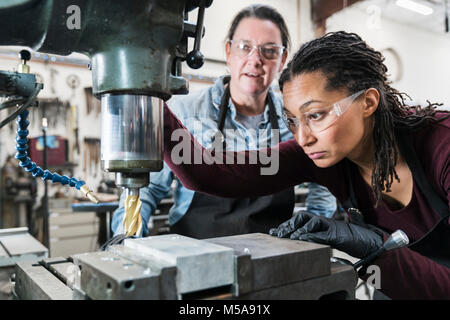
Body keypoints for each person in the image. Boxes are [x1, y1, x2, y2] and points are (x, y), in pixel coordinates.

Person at [161, 31, 450, 299]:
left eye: (315, 115)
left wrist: (376, 246)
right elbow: (212, 172)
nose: (302, 137)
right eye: (292, 120)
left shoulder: (442, 147)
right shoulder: (322, 153)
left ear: (368, 101)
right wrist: (147, 94)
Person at [111, 4, 337, 239]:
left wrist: (311, 241)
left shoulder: (295, 120)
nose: (255, 60)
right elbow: (147, 190)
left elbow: (323, 186)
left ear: (282, 60)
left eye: (269, 51)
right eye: (244, 47)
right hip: (195, 255)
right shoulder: (184, 113)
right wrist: (128, 240)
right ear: (228, 52)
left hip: (273, 259)